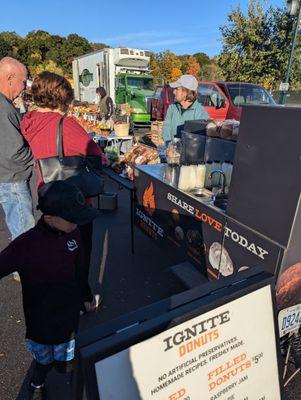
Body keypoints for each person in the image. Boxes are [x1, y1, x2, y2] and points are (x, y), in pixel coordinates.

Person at [0, 180, 101, 399]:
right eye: (72, 219)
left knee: (66, 361)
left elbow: (81, 270)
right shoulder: (26, 245)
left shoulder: (74, 235)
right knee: (43, 362)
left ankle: (67, 373)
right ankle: (37, 383)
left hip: (68, 317)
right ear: (49, 217)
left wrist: (86, 295)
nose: (77, 224)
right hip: (41, 321)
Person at [20, 71, 103, 310]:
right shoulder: (65, 124)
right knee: (80, 251)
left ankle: (58, 295)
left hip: (46, 192)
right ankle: (84, 298)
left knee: (55, 251)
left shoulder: (28, 121)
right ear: (60, 98)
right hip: (72, 198)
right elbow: (94, 152)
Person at [0, 57, 35, 266]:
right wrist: (38, 155)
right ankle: (25, 271)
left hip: (8, 178)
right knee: (25, 232)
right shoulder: (2, 109)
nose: (24, 87)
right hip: (12, 181)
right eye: (23, 82)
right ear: (10, 78)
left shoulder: (6, 105)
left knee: (18, 226)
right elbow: (13, 153)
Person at [162, 74, 209, 143]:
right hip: (171, 151)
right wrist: (168, 144)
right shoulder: (172, 108)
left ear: (186, 92)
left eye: (177, 89)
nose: (173, 92)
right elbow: (166, 127)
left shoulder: (200, 113)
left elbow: (199, 140)